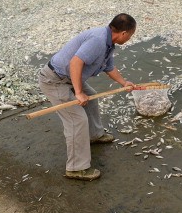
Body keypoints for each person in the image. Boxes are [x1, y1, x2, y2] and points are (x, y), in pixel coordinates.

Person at [38, 13, 137, 181]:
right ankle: (76, 168)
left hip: (70, 77)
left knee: (91, 98)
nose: (130, 38)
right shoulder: (98, 40)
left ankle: (94, 135)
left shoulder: (108, 43)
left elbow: (109, 67)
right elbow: (75, 63)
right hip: (55, 80)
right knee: (77, 120)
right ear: (124, 33)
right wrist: (78, 92)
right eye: (131, 35)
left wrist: (124, 82)